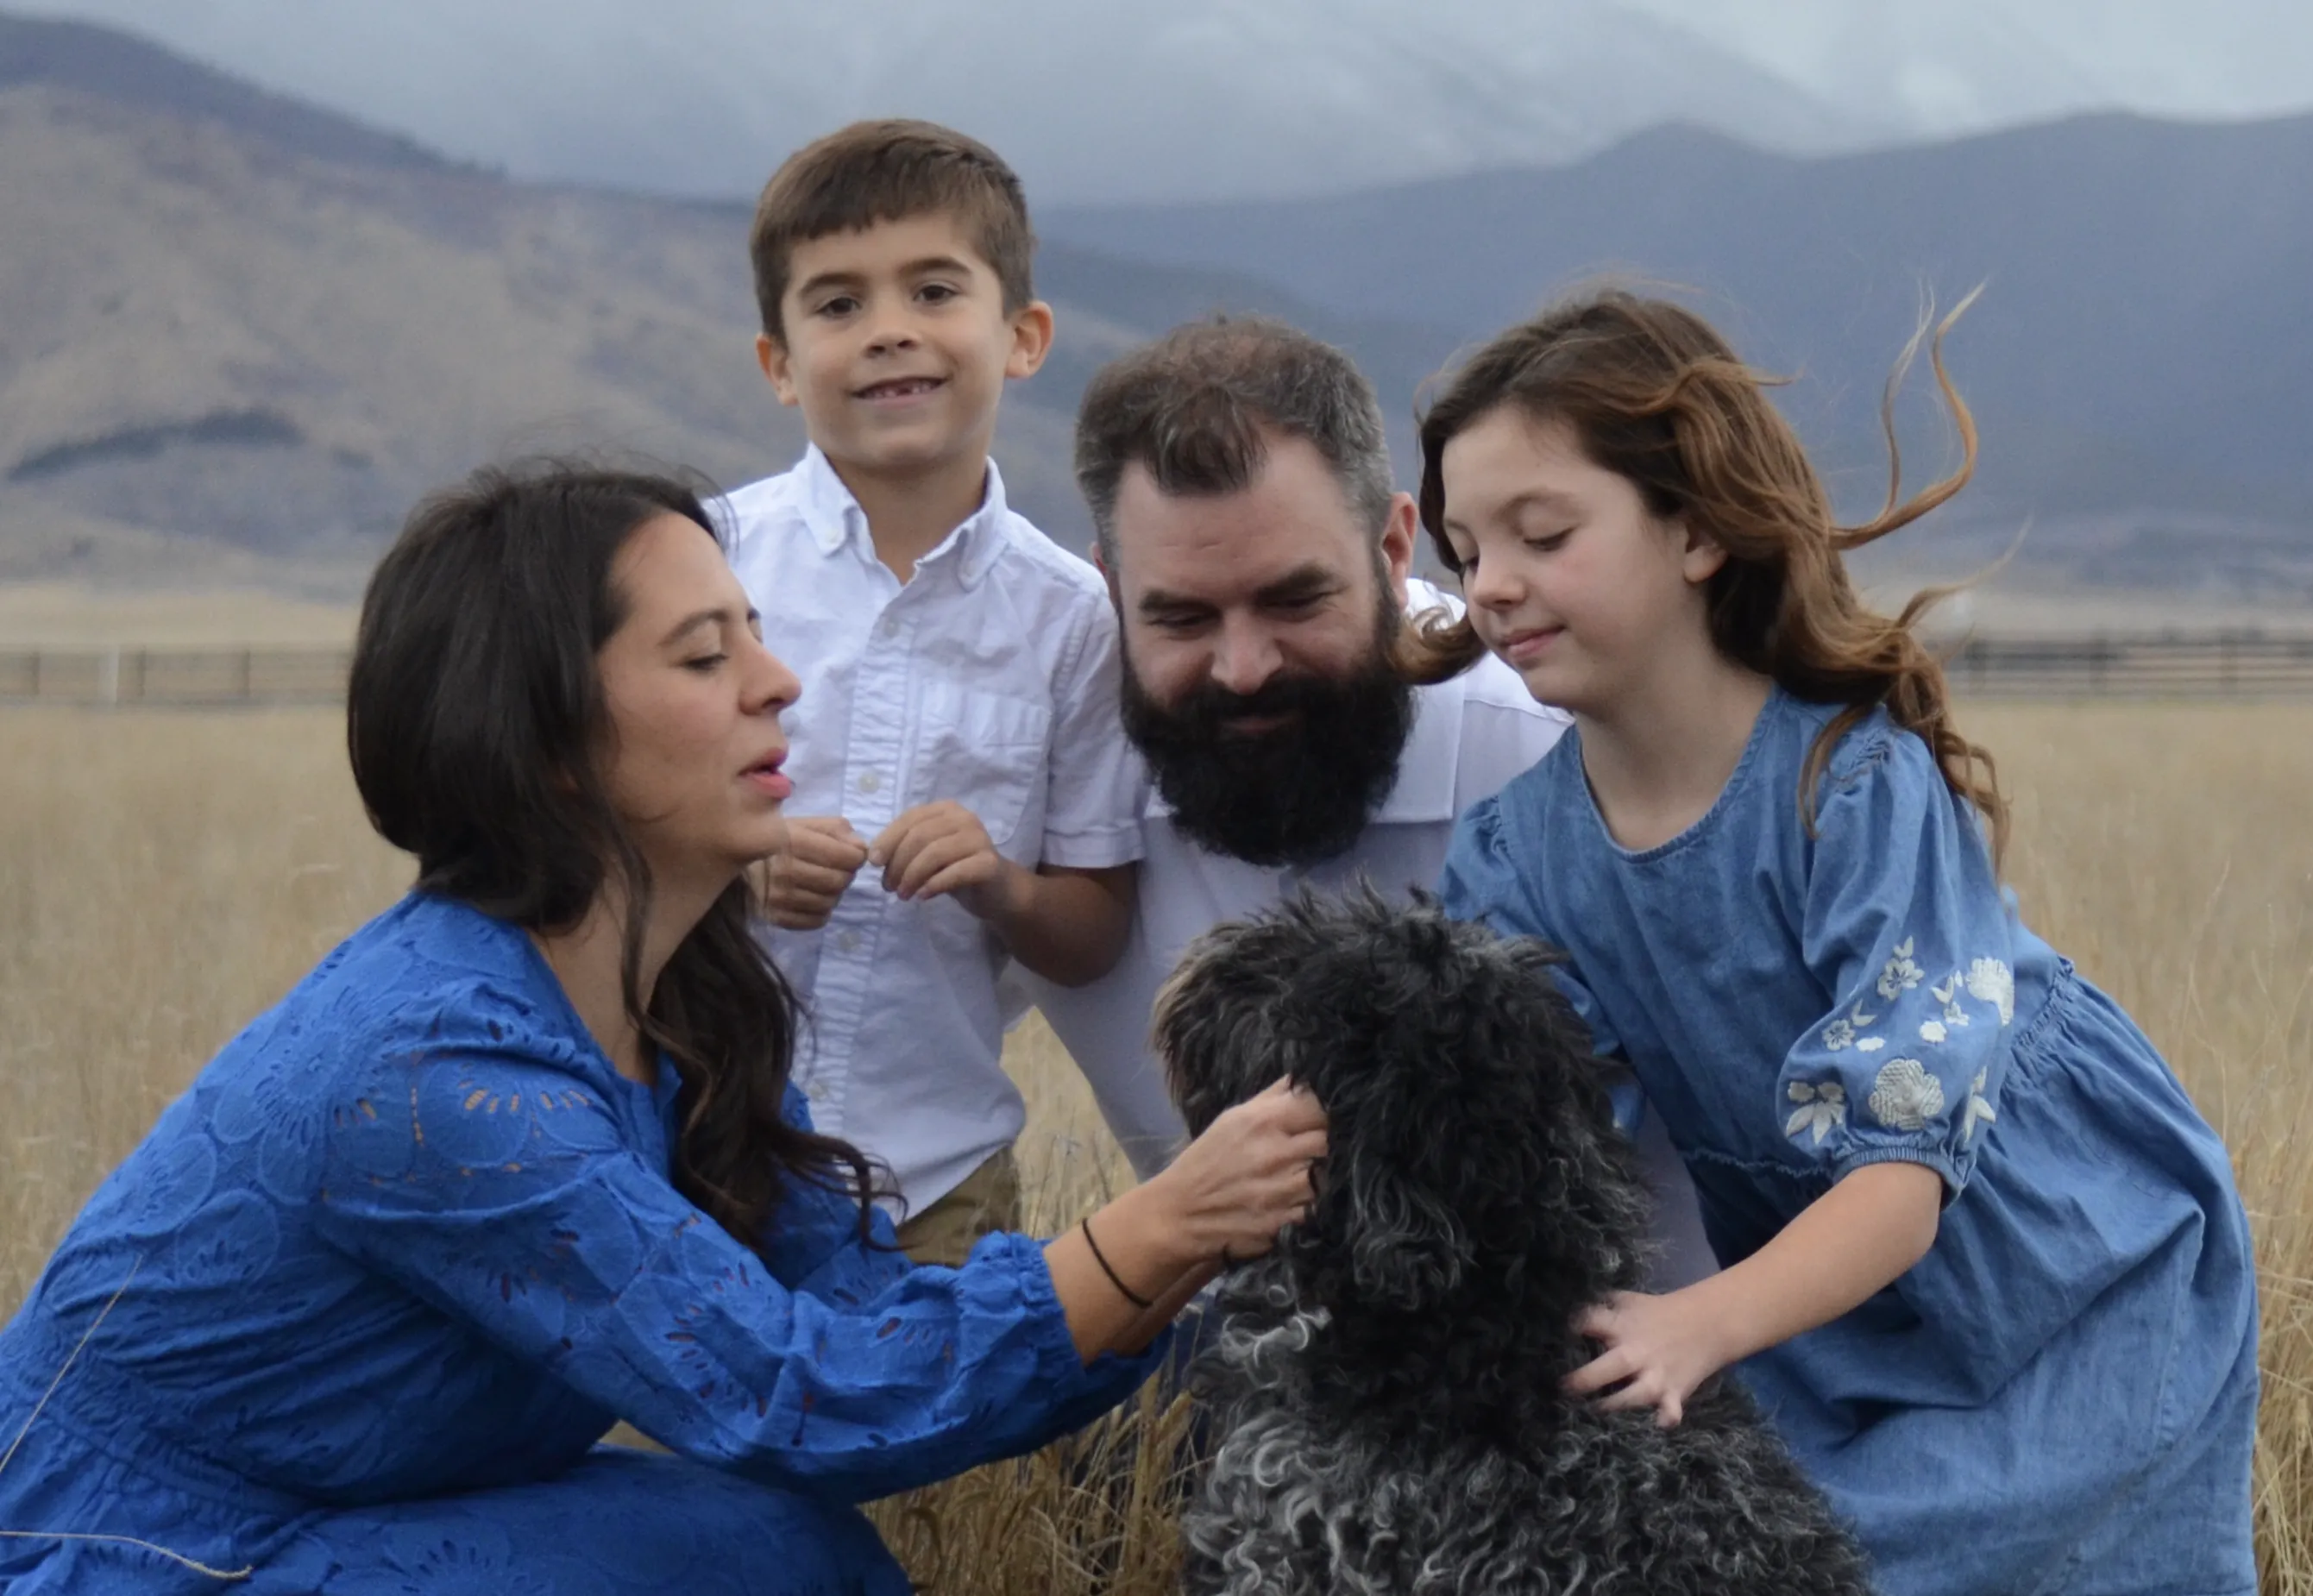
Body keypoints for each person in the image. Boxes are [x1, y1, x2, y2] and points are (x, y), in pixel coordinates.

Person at [0, 464, 1327, 1595]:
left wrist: (1202, 1260)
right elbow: (794, 1396)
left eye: (752, 632)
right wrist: (1166, 1221)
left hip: (330, 1512)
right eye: (705, 655)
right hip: (134, 1556)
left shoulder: (682, 1004)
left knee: (782, 1551)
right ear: (549, 743)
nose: (779, 680)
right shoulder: (437, 1072)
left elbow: (866, 1317)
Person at [1428, 290, 2260, 1596]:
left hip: (2073, 1268)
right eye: (1464, 549)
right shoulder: (1511, 855)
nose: (1492, 585)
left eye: (1542, 533)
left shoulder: (1849, 786)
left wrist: (1699, 1318)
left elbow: (1902, 1178)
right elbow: (1515, 1125)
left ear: (1695, 526)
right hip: (1835, 1308)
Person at [1028, 316, 1716, 1289]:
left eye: (1293, 601)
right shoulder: (1055, 805)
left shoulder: (1566, 756)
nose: (1242, 667)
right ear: (1110, 584)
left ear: (1395, 547)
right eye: (1181, 616)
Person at [724, 120, 1143, 1264]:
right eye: (837, 303)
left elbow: (1095, 925)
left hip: (934, 1183)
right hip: (689, 1156)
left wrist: (1003, 886)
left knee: (937, 1447)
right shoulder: (703, 565)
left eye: (933, 288)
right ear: (777, 360)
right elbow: (582, 833)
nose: (888, 330)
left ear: (1022, 335)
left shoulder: (1074, 624)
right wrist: (730, 869)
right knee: (677, 1443)